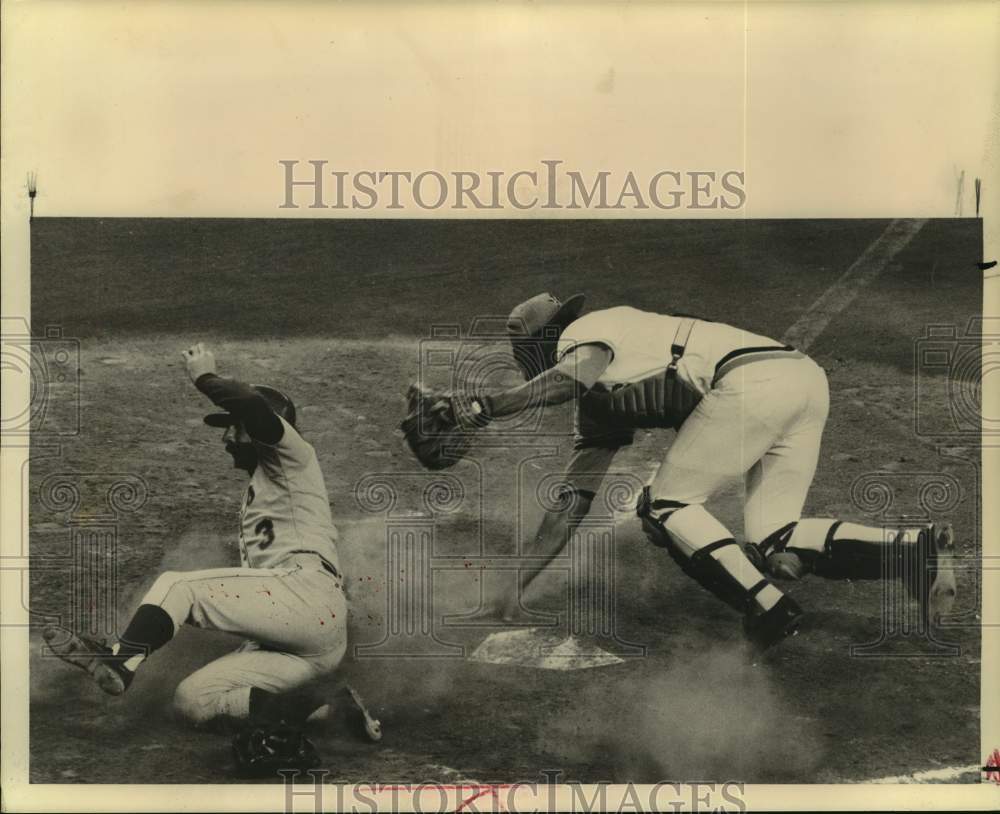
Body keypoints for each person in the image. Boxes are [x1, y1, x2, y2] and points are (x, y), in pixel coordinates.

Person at [465, 293, 957, 650]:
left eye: (526, 349)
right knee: (776, 543)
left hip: (754, 383)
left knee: (662, 506)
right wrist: (517, 582)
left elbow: (570, 377)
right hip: (802, 382)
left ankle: (767, 607)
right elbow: (572, 501)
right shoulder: (596, 404)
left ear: (542, 341)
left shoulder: (585, 334)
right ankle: (913, 551)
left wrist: (485, 406)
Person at [45, 343, 379, 743]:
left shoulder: (293, 456)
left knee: (179, 586)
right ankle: (329, 708)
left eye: (232, 426)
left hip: (306, 598)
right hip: (306, 643)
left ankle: (121, 659)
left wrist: (205, 377)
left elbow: (256, 410)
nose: (225, 437)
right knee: (193, 702)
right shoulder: (269, 483)